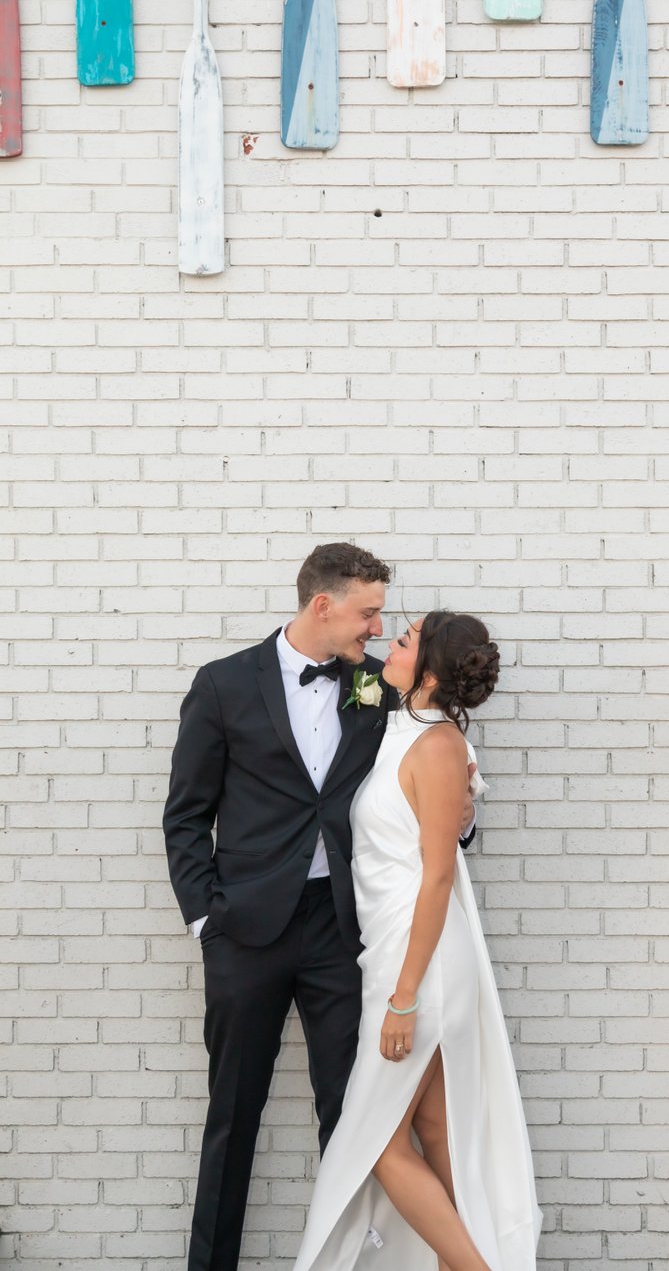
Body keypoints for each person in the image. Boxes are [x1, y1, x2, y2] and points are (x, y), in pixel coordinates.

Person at [162, 544, 478, 1271]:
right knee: (232, 1118)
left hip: (346, 931)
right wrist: (209, 918)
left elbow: (427, 772)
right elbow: (186, 815)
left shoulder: (380, 686)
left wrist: (464, 811)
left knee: (355, 1117)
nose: (377, 627)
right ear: (322, 605)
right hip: (246, 932)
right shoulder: (222, 685)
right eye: (368, 612)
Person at [292, 611, 541, 1271]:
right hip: (392, 951)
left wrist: (404, 999)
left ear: (428, 669)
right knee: (431, 1128)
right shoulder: (405, 724)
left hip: (418, 963)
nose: (386, 644)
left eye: (401, 640)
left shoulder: (435, 746)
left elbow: (437, 879)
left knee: (378, 1143)